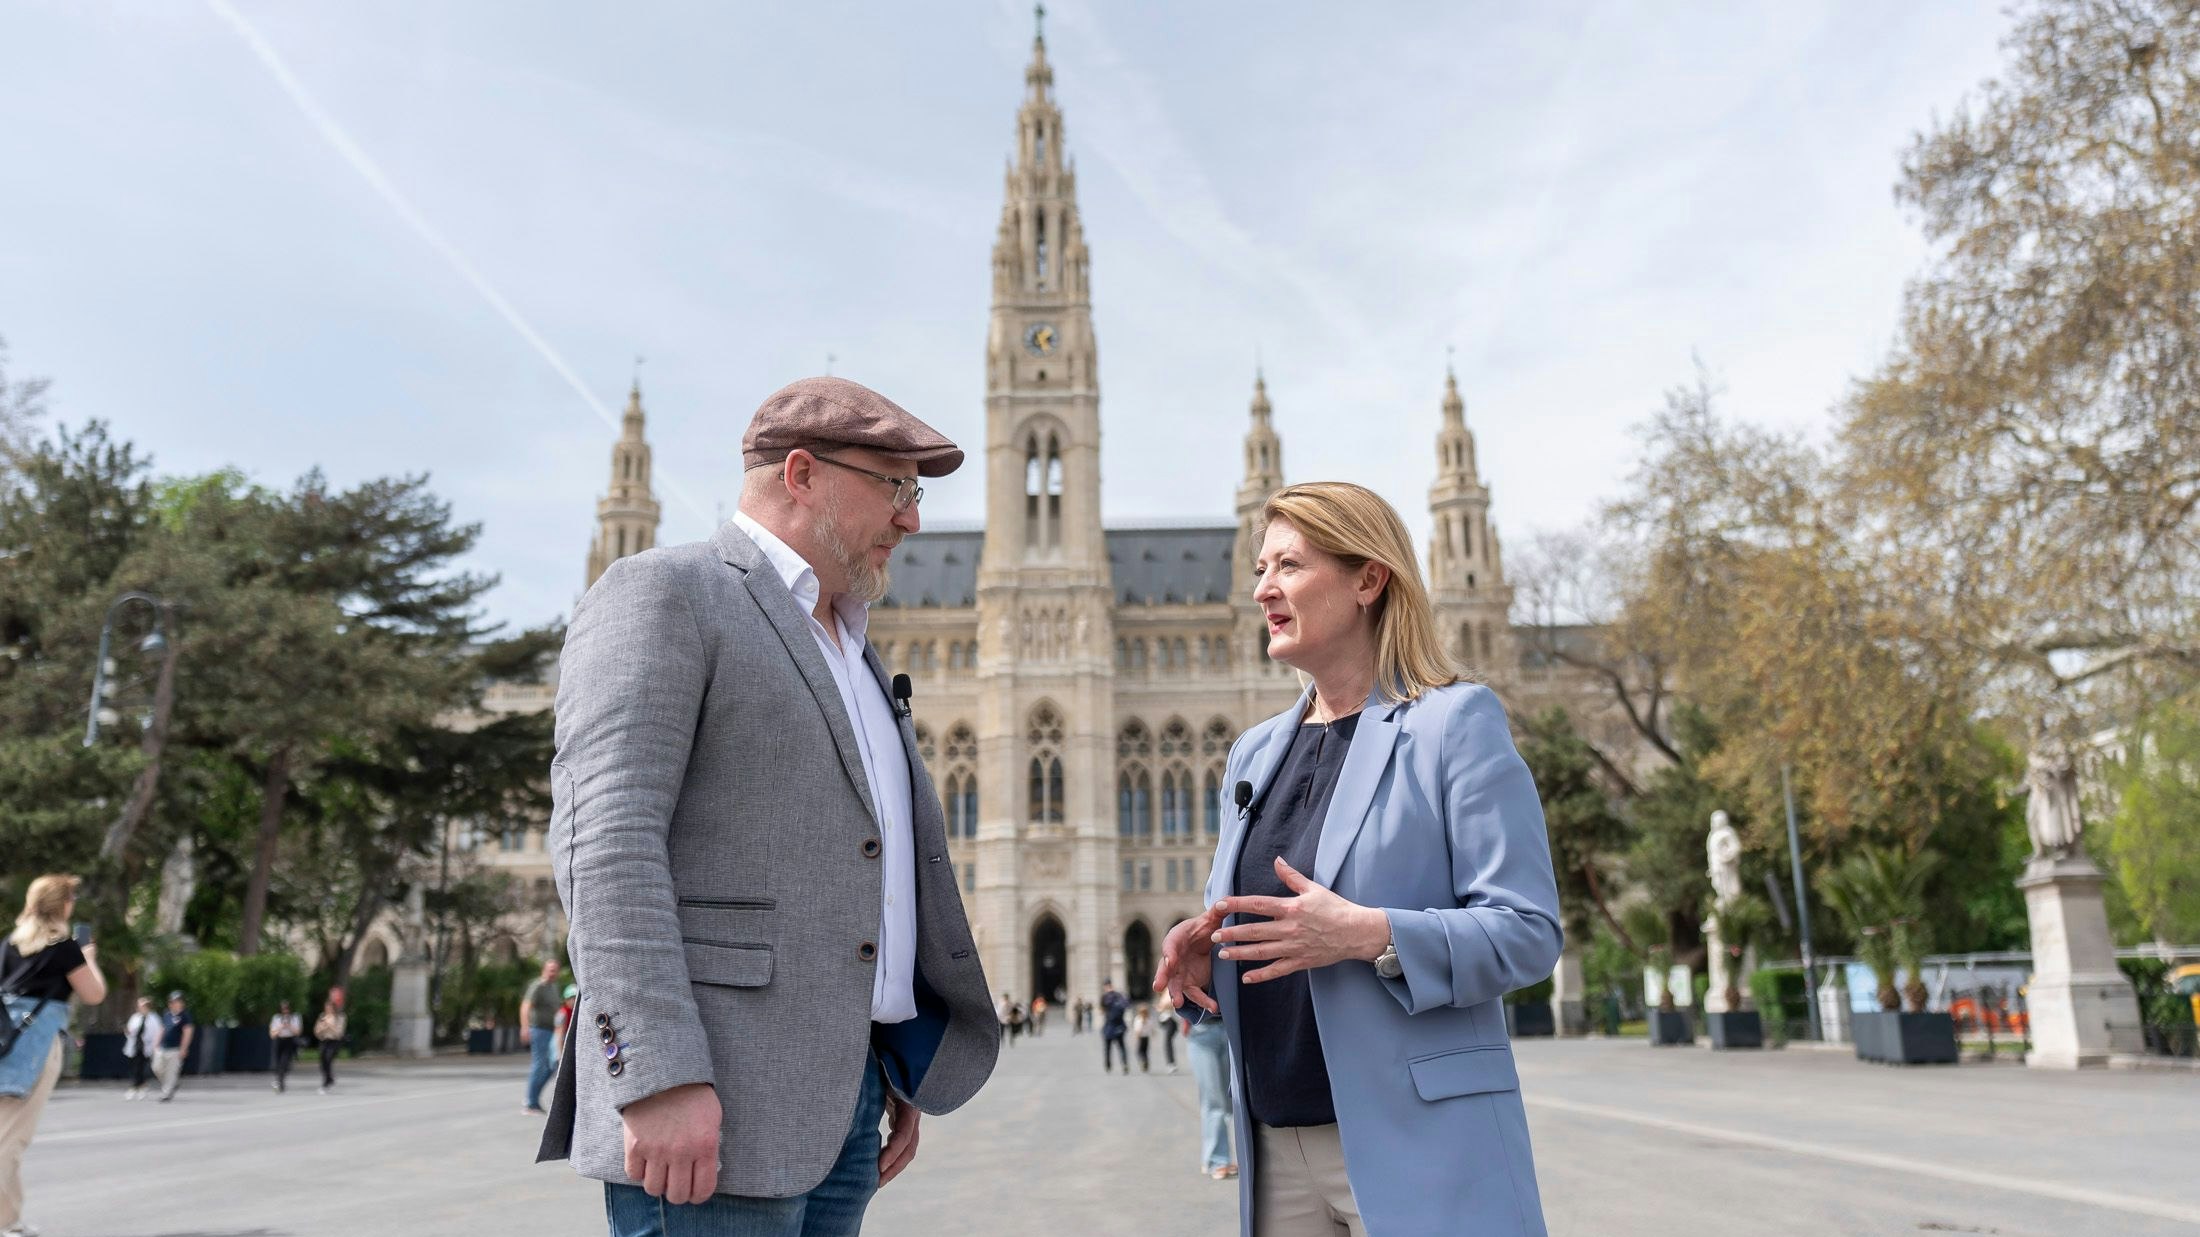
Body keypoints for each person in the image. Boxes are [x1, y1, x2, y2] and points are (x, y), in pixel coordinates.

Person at [541, 376, 1001, 1236]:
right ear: (802, 474)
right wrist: (655, 1073)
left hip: (844, 1106)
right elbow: (603, 841)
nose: (912, 519)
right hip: (706, 1102)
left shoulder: (854, 646)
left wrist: (889, 1062)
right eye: (895, 487)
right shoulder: (667, 592)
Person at [1154, 482, 1562, 1237]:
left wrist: (1371, 933)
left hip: (1414, 1141)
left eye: (1288, 566)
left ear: (1369, 580)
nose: (1262, 588)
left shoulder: (1452, 723)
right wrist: (1209, 954)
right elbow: (1277, 931)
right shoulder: (1256, 750)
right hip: (1277, 1149)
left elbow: (1528, 930)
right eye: (1259, 567)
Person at [1, 874, 108, 1237]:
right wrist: (89, 957)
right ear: (61, 904)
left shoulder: (9, 945)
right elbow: (93, 994)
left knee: (8, 1134)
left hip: (4, 1041)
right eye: (72, 897)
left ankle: (8, 1220)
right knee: (11, 1138)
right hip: (35, 1046)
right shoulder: (63, 948)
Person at [1185, 1013, 1236, 1180]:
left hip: (1231, 1028)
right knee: (1214, 1101)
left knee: (1233, 1100)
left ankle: (1239, 1157)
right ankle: (1217, 1160)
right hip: (1202, 1033)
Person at [520, 959, 562, 1114]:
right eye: (550, 969)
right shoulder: (538, 986)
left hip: (552, 1031)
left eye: (555, 970)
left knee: (552, 1066)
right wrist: (525, 1027)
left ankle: (535, 1100)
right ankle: (530, 1102)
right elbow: (525, 1007)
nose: (553, 972)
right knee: (539, 1065)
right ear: (544, 970)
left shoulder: (553, 988)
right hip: (538, 1030)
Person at [153, 991, 194, 1103]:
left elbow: (188, 1032)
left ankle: (166, 1093)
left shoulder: (185, 1016)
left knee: (171, 1072)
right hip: (163, 1047)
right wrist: (156, 1043)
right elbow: (162, 1029)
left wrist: (184, 1048)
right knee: (156, 1068)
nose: (174, 1004)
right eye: (172, 1001)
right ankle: (171, 1085)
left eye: (177, 1001)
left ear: (182, 1003)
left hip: (175, 1049)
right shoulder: (167, 1014)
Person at [122, 996, 160, 1100]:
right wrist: (128, 1031)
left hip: (146, 1046)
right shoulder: (135, 1017)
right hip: (135, 1045)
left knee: (142, 1067)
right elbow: (129, 1030)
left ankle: (138, 1087)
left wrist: (155, 1045)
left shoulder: (154, 1018)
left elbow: (157, 1032)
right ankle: (138, 1087)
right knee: (134, 1066)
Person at [313, 989, 346, 1094]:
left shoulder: (340, 1017)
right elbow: (317, 1031)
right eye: (326, 1007)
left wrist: (330, 1025)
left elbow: (339, 1033)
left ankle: (326, 1083)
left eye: (329, 1007)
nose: (327, 1009)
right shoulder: (322, 1016)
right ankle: (329, 1078)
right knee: (322, 1061)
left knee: (328, 1058)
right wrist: (323, 1027)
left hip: (334, 1041)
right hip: (324, 1040)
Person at [269, 1001, 303, 1094]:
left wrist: (289, 1026)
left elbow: (298, 1032)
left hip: (289, 1041)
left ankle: (280, 1083)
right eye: (283, 1009)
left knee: (284, 1062)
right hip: (279, 1041)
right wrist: (281, 1027)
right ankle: (280, 1082)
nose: (285, 1011)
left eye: (287, 1008)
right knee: (277, 1064)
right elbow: (272, 1034)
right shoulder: (276, 1018)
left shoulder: (295, 1018)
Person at [1099, 980, 1129, 1074]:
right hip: (1119, 1025)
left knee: (1108, 1047)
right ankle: (1124, 1064)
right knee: (1121, 1046)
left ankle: (1108, 1065)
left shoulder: (1105, 997)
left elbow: (1102, 1009)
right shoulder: (1119, 995)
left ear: (1105, 986)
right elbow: (1126, 1005)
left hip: (1109, 1025)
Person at [1156, 996, 1180, 1073]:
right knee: (1168, 1043)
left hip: (1170, 1021)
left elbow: (1170, 1004)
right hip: (1165, 1021)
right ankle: (1171, 1063)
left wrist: (1162, 1006)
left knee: (1167, 1043)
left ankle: (1171, 1063)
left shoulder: (1169, 992)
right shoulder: (1163, 995)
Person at [1132, 1002, 1154, 1073]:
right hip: (1146, 1037)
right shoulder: (1149, 1019)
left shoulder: (1138, 1019)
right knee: (1145, 1051)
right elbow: (1152, 1029)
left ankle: (1143, 1061)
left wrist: (1136, 1038)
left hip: (1141, 1037)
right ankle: (1145, 1061)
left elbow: (1137, 1030)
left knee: (1139, 1051)